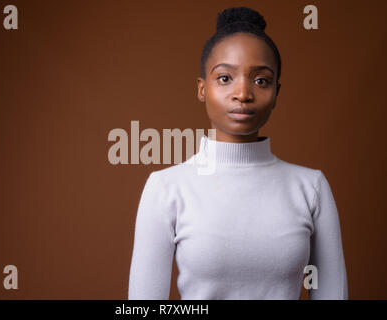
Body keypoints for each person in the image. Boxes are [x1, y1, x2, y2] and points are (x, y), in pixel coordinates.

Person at [128, 6, 348, 300]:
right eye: (224, 78)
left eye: (261, 80)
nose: (243, 93)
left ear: (276, 93)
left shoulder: (311, 187)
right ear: (202, 89)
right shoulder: (166, 187)